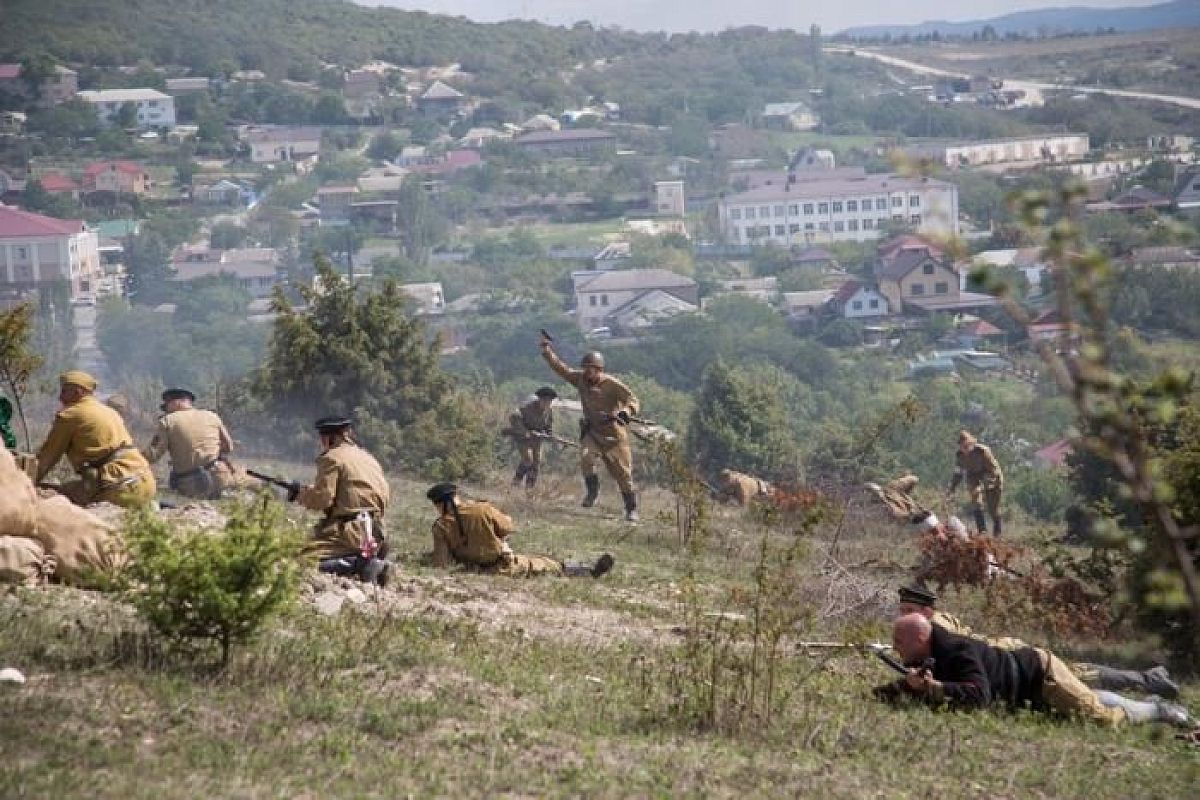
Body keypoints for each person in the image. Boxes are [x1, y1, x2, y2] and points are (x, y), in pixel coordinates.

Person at [876, 613, 1190, 728]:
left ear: (921, 636)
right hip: (1025, 688)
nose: (894, 647)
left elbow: (979, 696)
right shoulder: (928, 652)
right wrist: (887, 693)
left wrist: (933, 689)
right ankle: (1150, 684)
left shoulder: (958, 650)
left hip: (1041, 677)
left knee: (1101, 718)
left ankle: (1159, 711)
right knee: (1090, 694)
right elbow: (914, 684)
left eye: (898, 640)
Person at [895, 585, 1180, 699]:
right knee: (1080, 672)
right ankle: (1146, 681)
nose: (904, 616)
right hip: (1004, 656)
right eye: (903, 611)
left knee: (1083, 676)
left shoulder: (936, 627)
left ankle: (1148, 681)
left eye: (910, 611)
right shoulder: (933, 624)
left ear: (927, 612)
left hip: (1008, 656)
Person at [540, 335, 641, 520]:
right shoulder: (579, 379)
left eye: (591, 369)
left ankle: (631, 509)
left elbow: (633, 399)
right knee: (586, 457)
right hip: (592, 432)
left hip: (613, 436)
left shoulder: (612, 384)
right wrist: (547, 352)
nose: (587, 372)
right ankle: (592, 493)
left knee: (623, 475)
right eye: (585, 368)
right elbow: (562, 369)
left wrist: (627, 411)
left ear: (599, 370)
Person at [426, 483, 613, 578]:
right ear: (456, 496)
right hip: (501, 566)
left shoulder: (441, 525)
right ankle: (588, 570)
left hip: (471, 569)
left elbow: (441, 563)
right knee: (546, 564)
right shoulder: (483, 509)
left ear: (439, 504)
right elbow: (508, 527)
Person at [35, 371, 156, 508]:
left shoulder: (70, 415)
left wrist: (27, 482)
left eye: (64, 392)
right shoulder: (110, 412)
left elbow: (48, 457)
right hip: (146, 482)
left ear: (78, 392)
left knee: (52, 496)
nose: (60, 397)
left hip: (118, 486)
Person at [293, 416, 391, 586]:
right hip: (377, 530)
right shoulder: (368, 458)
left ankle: (360, 564)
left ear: (330, 437)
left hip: (350, 532)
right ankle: (367, 557)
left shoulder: (331, 458)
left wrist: (300, 495)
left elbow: (323, 500)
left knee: (302, 560)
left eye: (323, 437)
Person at [142, 388, 240, 500]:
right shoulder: (212, 416)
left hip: (192, 484)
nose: (166, 411)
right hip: (221, 479)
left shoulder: (167, 421)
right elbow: (229, 447)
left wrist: (134, 457)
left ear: (176, 402)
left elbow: (153, 455)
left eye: (166, 406)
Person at [949, 430, 1004, 535]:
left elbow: (993, 470)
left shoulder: (983, 451)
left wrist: (987, 485)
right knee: (976, 501)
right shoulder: (960, 456)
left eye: (966, 446)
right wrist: (952, 488)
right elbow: (958, 474)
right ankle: (982, 530)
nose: (964, 449)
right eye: (962, 446)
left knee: (993, 507)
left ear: (971, 444)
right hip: (974, 477)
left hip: (992, 477)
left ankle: (997, 532)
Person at [507, 386, 558, 489]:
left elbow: (548, 426)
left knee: (536, 463)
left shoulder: (549, 411)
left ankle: (529, 489)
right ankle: (516, 482)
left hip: (537, 440)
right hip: (523, 439)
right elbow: (514, 417)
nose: (547, 403)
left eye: (549, 401)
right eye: (544, 400)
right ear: (539, 399)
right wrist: (525, 431)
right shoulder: (527, 407)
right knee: (528, 459)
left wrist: (550, 435)